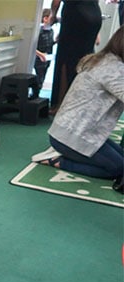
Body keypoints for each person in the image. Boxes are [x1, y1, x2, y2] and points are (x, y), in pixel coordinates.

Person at [31, 25, 124, 193]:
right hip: (72, 135)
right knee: (117, 168)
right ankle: (58, 160)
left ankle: (68, 154)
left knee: (122, 160)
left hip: (80, 131)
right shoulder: (113, 69)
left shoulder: (108, 59)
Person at [49, 0, 103, 114]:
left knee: (65, 58)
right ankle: (80, 103)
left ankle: (61, 104)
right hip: (94, 14)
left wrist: (53, 15)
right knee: (85, 58)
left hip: (75, 13)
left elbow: (56, 2)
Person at [35, 8, 56, 92]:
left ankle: (37, 92)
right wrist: (40, 54)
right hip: (39, 58)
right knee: (39, 78)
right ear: (45, 18)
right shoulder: (39, 31)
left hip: (47, 59)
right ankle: (35, 94)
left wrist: (55, 41)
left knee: (42, 77)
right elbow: (32, 47)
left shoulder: (51, 31)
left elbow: (49, 43)